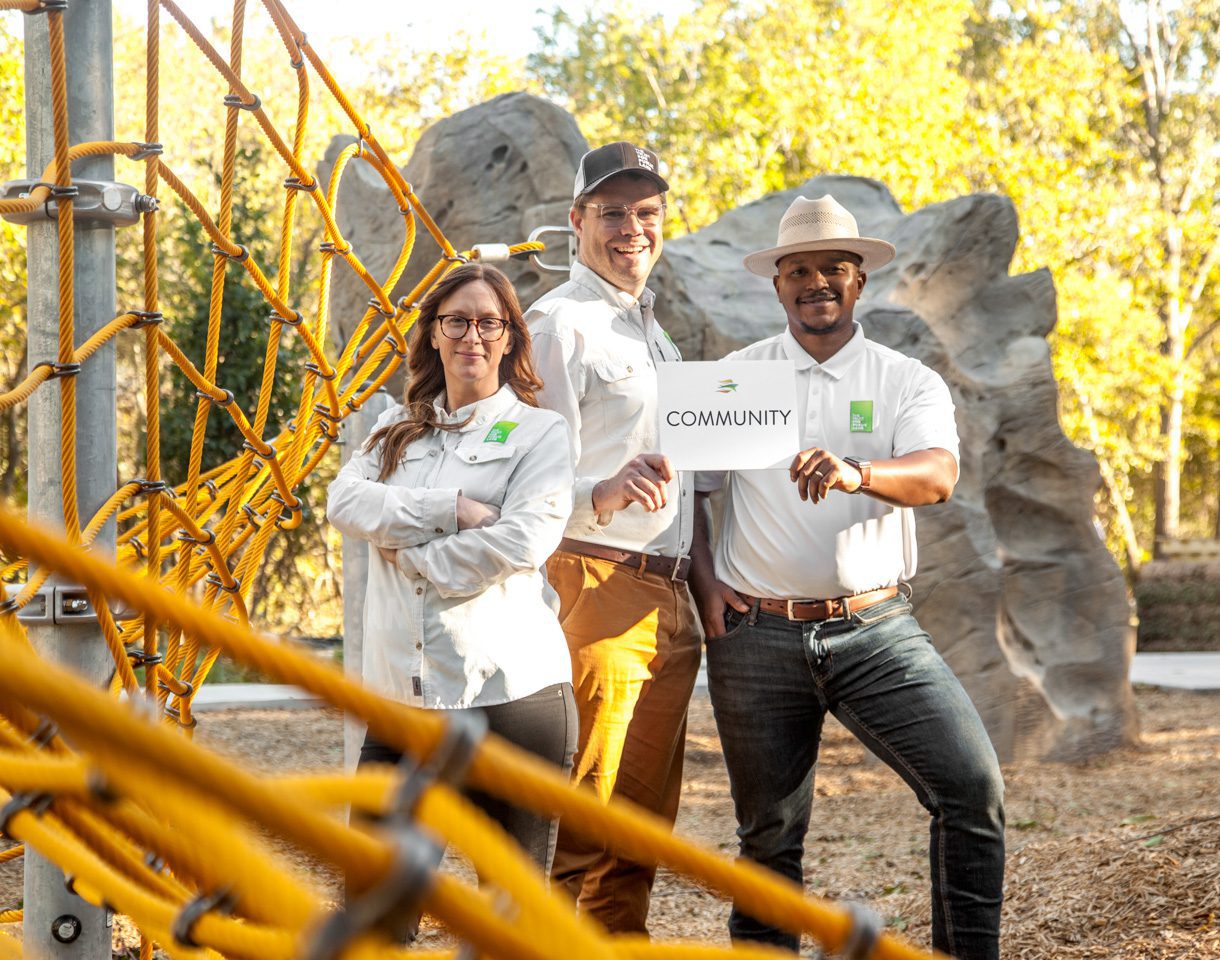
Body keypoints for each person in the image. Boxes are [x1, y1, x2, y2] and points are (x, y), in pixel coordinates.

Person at [690, 195, 1005, 959]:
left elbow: (937, 476)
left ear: (859, 279)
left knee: (972, 790)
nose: (816, 282)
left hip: (877, 631)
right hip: (755, 637)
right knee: (768, 836)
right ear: (777, 285)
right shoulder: (736, 378)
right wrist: (704, 582)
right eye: (798, 270)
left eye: (833, 267)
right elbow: (690, 494)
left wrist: (857, 471)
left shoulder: (904, 380)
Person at [327, 262, 578, 875]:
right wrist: (454, 510)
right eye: (457, 321)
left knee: (511, 906)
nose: (473, 336)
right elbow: (345, 502)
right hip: (403, 703)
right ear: (434, 334)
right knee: (375, 899)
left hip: (511, 698)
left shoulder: (540, 433)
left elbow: (521, 541)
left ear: (510, 338)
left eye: (489, 323)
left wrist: (409, 553)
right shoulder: (393, 428)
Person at [523, 141, 701, 934]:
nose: (633, 227)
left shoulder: (658, 337)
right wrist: (598, 491)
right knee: (580, 814)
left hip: (669, 594)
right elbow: (519, 476)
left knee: (640, 825)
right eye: (613, 212)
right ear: (577, 220)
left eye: (647, 212)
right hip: (592, 580)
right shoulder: (557, 324)